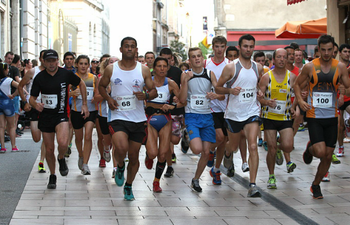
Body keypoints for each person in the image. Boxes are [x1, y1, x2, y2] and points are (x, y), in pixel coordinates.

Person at [98, 37, 157, 200]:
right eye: (126, 46)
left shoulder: (143, 70)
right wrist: (108, 99)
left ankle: (129, 185)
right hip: (117, 116)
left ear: (136, 49)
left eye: (132, 47)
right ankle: (120, 166)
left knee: (133, 156)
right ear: (121, 49)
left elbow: (154, 92)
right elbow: (101, 86)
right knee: (121, 147)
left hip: (138, 119)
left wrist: (145, 95)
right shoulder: (111, 69)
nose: (129, 49)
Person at [294, 35, 350, 199]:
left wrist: (343, 94)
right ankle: (310, 148)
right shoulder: (310, 67)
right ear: (318, 49)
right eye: (323, 50)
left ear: (334, 49)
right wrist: (299, 100)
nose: (326, 53)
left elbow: (347, 87)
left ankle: (315, 185)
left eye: (329, 50)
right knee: (320, 151)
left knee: (327, 155)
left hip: (332, 115)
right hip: (314, 115)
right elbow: (297, 84)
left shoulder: (339, 67)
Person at [29, 49, 89, 189]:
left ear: (57, 61)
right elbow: (32, 98)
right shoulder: (40, 77)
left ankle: (61, 157)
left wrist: (84, 104)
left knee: (62, 143)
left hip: (61, 114)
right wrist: (35, 104)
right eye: (48, 61)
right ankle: (53, 175)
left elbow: (82, 84)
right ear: (43, 62)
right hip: (46, 116)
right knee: (49, 149)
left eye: (53, 60)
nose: (51, 64)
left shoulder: (65, 74)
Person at [216, 34, 264, 197]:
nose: (248, 49)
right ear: (239, 47)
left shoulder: (258, 67)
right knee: (234, 146)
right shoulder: (231, 67)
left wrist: (260, 92)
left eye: (251, 46)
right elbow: (218, 88)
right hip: (234, 114)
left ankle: (253, 185)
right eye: (245, 46)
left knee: (252, 146)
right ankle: (228, 153)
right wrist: (230, 90)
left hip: (252, 112)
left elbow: (257, 85)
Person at [179, 47, 222, 192]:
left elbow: (220, 92)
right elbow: (182, 99)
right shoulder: (185, 74)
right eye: (193, 56)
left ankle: (196, 179)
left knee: (205, 152)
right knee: (196, 149)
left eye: (199, 56)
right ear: (189, 60)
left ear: (203, 58)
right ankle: (187, 136)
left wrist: (214, 95)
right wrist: (185, 81)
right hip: (192, 115)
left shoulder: (210, 74)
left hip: (207, 116)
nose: (197, 59)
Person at [259, 48, 297, 189]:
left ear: (287, 59)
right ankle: (271, 176)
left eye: (284, 57)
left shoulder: (292, 77)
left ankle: (278, 149)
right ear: (273, 60)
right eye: (279, 57)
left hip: (285, 117)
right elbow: (260, 97)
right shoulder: (266, 77)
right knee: (271, 148)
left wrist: (294, 106)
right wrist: (266, 102)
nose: (282, 59)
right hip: (269, 117)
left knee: (288, 146)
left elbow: (298, 95)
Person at [145, 57, 183, 192]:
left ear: (168, 68)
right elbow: (141, 101)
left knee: (162, 154)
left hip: (165, 120)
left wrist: (173, 106)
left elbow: (182, 101)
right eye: (159, 66)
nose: (161, 69)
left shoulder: (171, 83)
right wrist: (149, 103)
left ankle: (156, 181)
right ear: (154, 68)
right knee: (153, 153)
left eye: (164, 66)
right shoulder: (147, 82)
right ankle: (148, 154)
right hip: (150, 119)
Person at [204, 36, 231, 185]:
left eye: (222, 46)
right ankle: (210, 151)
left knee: (224, 141)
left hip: (227, 107)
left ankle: (216, 169)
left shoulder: (230, 65)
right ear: (213, 47)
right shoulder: (206, 64)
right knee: (219, 137)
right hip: (211, 107)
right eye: (217, 46)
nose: (219, 49)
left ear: (225, 47)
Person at [18, 50, 47, 172]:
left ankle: (42, 162)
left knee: (47, 136)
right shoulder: (33, 71)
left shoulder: (56, 72)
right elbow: (20, 86)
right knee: (36, 137)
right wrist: (25, 102)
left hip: (48, 108)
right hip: (34, 106)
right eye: (45, 59)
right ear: (41, 59)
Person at [70, 55, 98, 175]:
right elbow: (65, 93)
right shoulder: (72, 78)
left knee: (88, 136)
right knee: (78, 137)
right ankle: (81, 155)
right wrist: (72, 93)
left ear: (89, 65)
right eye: (81, 63)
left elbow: (97, 93)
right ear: (76, 64)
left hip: (91, 111)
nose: (83, 66)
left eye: (85, 64)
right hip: (76, 111)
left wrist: (95, 98)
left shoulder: (93, 78)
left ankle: (86, 164)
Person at [94, 57, 118, 172]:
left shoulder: (121, 78)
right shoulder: (101, 79)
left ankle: (115, 168)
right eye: (111, 62)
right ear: (106, 65)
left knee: (116, 141)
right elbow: (95, 98)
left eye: (116, 62)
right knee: (107, 140)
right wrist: (106, 93)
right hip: (104, 114)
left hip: (117, 114)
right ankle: (106, 148)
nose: (114, 64)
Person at [0, 62, 19, 152]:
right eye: (7, 69)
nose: (8, 70)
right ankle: (13, 146)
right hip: (7, 103)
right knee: (11, 126)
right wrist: (13, 95)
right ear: (4, 70)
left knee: (1, 127)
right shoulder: (8, 80)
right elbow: (19, 86)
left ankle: (2, 147)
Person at [337, 43, 350, 158]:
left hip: (348, 97)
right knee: (339, 127)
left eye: (349, 52)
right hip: (338, 98)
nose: (347, 54)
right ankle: (340, 147)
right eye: (345, 51)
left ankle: (348, 123)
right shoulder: (337, 66)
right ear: (340, 53)